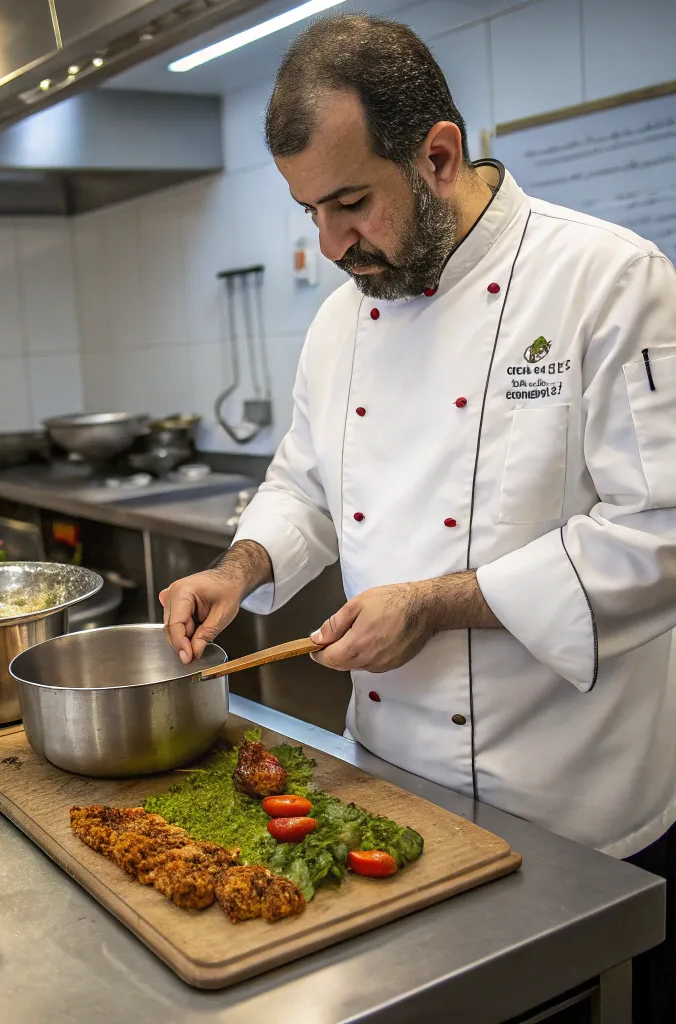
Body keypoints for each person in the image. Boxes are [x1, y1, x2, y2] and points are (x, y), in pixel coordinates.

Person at [160, 13, 676, 1021]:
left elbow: (661, 531)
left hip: (577, 812)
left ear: (438, 153)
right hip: (393, 797)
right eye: (309, 211)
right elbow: (305, 483)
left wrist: (437, 604)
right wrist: (242, 565)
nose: (330, 244)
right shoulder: (338, 319)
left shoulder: (609, 281)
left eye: (350, 201)